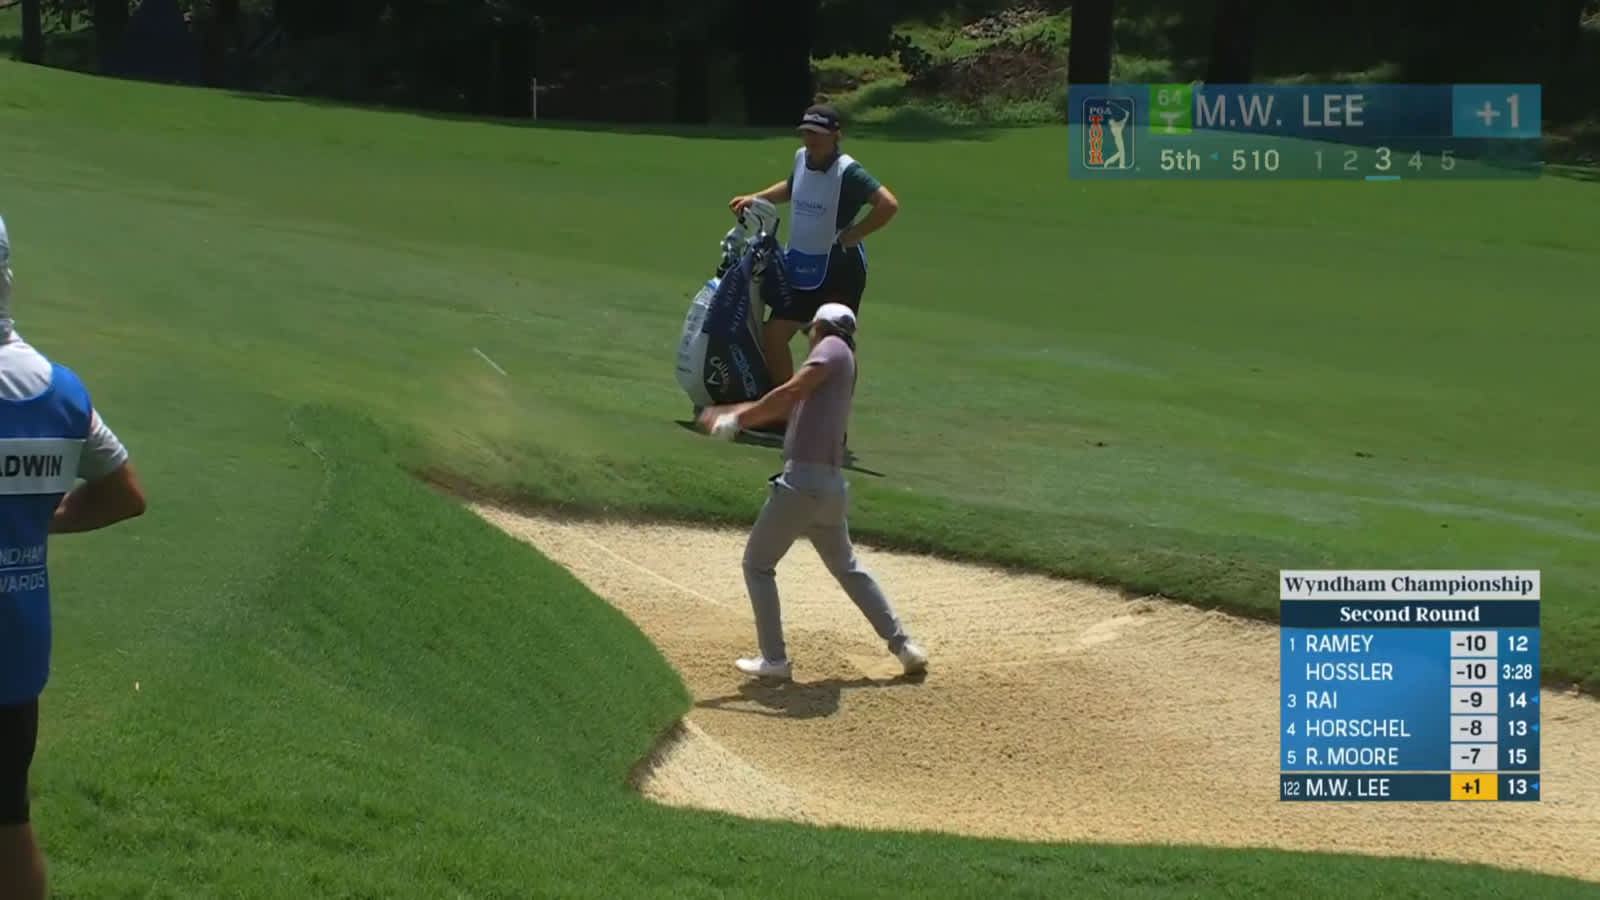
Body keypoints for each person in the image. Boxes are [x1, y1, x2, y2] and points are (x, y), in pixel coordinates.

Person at [0, 214, 147, 900]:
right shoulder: (60, 391)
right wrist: (33, 523)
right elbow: (125, 494)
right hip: (16, 642)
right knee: (8, 817)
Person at [698, 302, 927, 681]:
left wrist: (735, 420)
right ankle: (903, 646)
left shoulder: (832, 350)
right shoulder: (843, 362)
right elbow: (788, 400)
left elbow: (789, 392)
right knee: (848, 569)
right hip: (829, 488)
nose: (808, 340)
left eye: (809, 332)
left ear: (821, 328)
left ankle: (774, 660)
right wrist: (734, 410)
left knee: (757, 564)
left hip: (802, 485)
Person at [728, 102, 900, 435]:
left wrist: (855, 234)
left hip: (839, 269)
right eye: (807, 132)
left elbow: (887, 204)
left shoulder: (848, 171)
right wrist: (756, 197)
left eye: (818, 134)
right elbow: (793, 188)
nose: (810, 140)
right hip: (801, 262)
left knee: (832, 346)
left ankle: (834, 426)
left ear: (836, 135)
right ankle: (789, 414)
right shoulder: (801, 158)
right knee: (775, 334)